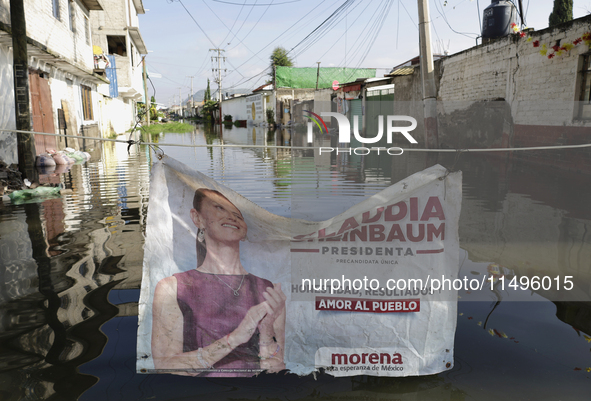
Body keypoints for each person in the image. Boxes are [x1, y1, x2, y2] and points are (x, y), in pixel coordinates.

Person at [151, 188, 286, 376]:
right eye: (220, 208)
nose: (232, 217)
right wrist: (235, 338)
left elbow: (276, 369)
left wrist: (266, 331)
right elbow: (164, 367)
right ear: (197, 218)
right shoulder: (173, 287)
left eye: (238, 215)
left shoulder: (267, 289)